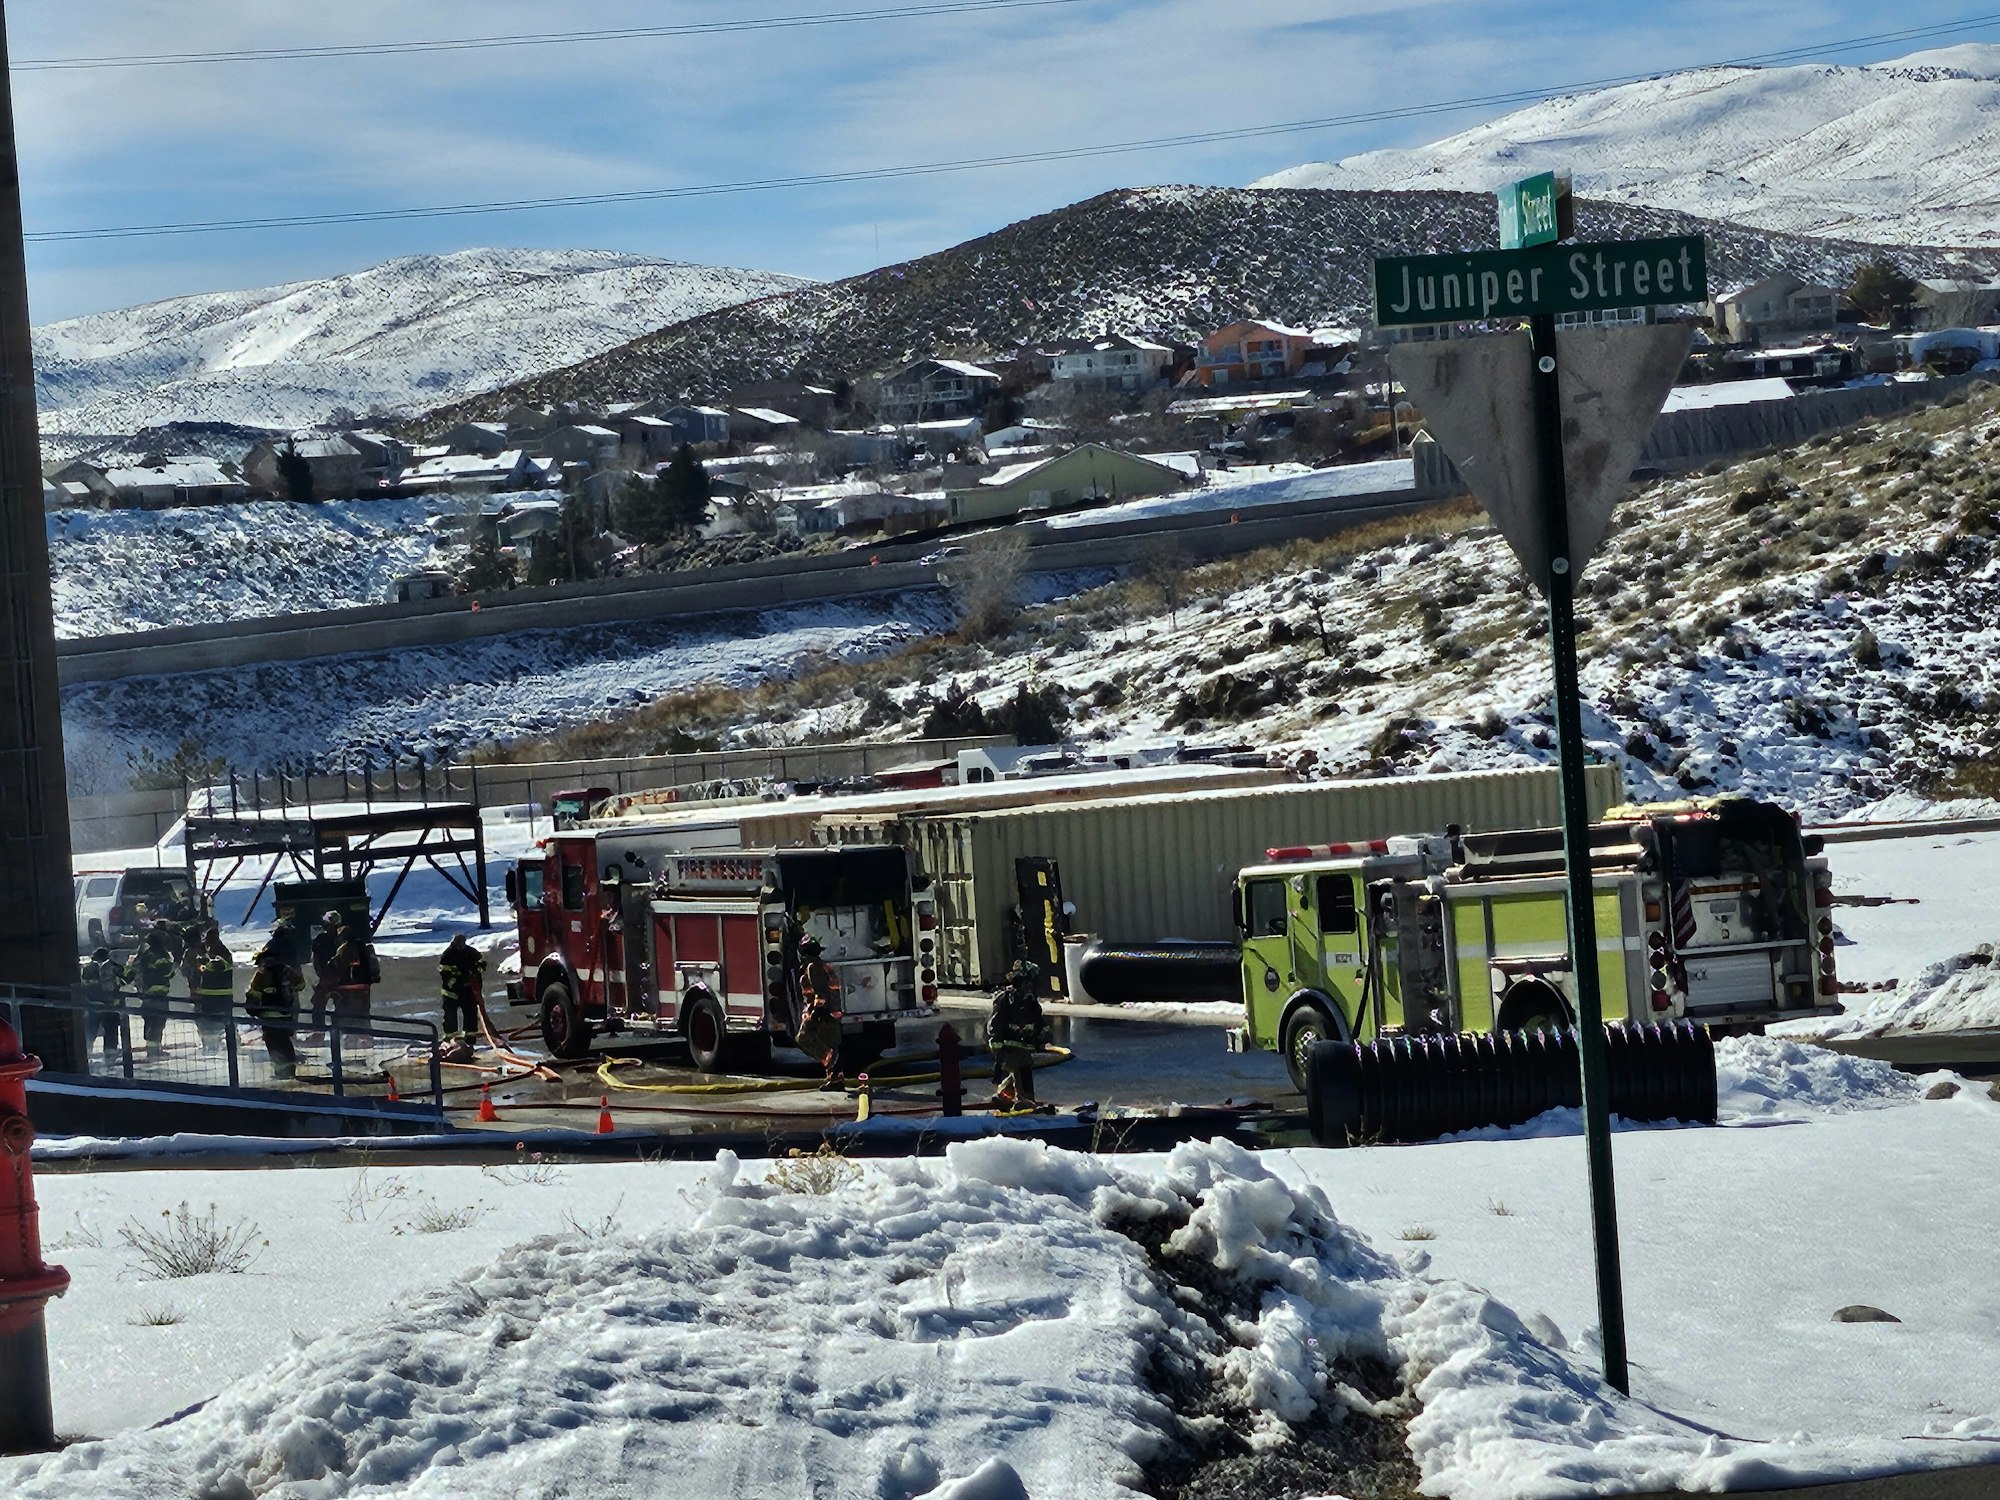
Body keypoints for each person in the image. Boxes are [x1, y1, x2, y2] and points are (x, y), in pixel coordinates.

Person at [986, 959, 1050, 1110]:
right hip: (1007, 1045)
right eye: (1027, 983)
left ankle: (1004, 1096)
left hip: (1023, 1046)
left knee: (1020, 1069)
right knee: (1023, 1070)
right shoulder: (1005, 1001)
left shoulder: (1032, 1004)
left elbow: (1039, 1022)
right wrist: (998, 1047)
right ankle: (1025, 1101)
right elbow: (995, 1025)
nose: (1030, 987)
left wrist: (1043, 1036)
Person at [122, 922, 178, 1060]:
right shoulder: (158, 955)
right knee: (158, 1022)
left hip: (145, 993)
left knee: (150, 1021)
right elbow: (166, 971)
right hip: (158, 994)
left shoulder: (143, 953)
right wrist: (172, 963)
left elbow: (132, 971)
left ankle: (152, 1049)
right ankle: (153, 1051)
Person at [244, 943, 299, 1081]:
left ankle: (281, 1072)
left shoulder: (262, 973)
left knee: (273, 1042)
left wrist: (251, 1008)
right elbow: (301, 984)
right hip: (286, 1013)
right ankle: (291, 1068)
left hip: (268, 1014)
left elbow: (253, 993)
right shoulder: (287, 970)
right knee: (285, 1040)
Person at [794, 936, 843, 1089]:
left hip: (822, 1013)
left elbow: (821, 994)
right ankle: (835, 1080)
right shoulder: (823, 966)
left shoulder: (813, 968)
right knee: (830, 1043)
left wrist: (815, 1015)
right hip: (832, 1013)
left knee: (803, 1038)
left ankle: (831, 1060)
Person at [329, 920, 380, 1042]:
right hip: (364, 985)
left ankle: (349, 1038)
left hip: (346, 987)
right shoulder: (366, 947)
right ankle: (366, 1037)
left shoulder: (342, 949)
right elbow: (374, 964)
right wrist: (373, 977)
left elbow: (336, 966)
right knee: (363, 1011)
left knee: (345, 1012)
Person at [189, 923, 235, 1054]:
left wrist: (202, 963)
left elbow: (216, 967)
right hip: (211, 997)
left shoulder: (221, 953)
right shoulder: (212, 953)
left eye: (207, 940)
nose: (206, 943)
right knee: (211, 1023)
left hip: (218, 996)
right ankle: (211, 1047)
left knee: (217, 1023)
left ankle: (220, 1047)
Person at [438, 933, 485, 1047]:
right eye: (458, 944)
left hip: (469, 990)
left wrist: (475, 972)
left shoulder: (471, 953)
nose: (460, 946)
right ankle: (450, 1040)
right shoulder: (447, 956)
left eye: (462, 944)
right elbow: (446, 975)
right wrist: (458, 982)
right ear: (454, 943)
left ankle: (470, 1040)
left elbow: (481, 965)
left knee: (470, 1015)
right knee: (450, 1016)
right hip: (452, 992)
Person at [81, 945, 123, 1062]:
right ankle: (110, 1055)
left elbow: (83, 986)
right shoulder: (112, 967)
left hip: (93, 1005)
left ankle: (86, 1053)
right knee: (110, 1030)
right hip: (110, 1005)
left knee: (90, 1031)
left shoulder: (87, 968)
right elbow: (124, 977)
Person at [307, 910, 343, 1036]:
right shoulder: (342, 938)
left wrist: (321, 975)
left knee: (319, 1005)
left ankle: (319, 1033)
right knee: (339, 1006)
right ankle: (337, 1032)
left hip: (328, 978)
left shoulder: (321, 939)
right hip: (340, 979)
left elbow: (315, 959)